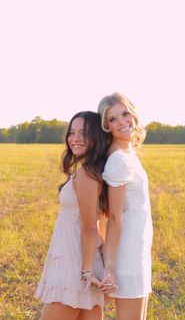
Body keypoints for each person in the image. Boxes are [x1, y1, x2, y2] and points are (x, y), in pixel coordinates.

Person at [36, 111, 115, 320]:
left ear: (97, 137)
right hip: (82, 260)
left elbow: (90, 227)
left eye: (84, 133)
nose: (75, 138)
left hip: (75, 264)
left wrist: (86, 273)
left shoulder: (87, 174)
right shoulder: (91, 170)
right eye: (72, 132)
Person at [97, 93, 153, 320]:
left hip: (138, 250)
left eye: (125, 113)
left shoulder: (128, 153)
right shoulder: (119, 160)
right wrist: (109, 268)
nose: (122, 121)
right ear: (106, 126)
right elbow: (115, 217)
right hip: (128, 256)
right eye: (113, 119)